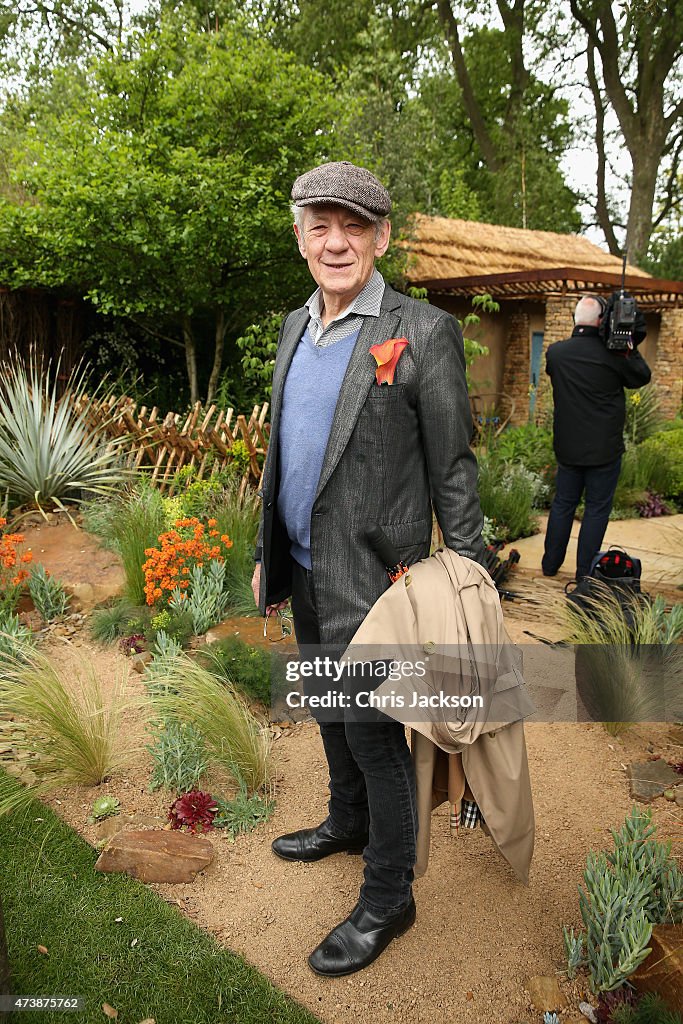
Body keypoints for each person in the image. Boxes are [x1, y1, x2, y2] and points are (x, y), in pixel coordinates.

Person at [251, 160, 484, 977]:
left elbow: (453, 468)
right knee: (327, 713)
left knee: (377, 740)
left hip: (382, 586)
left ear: (381, 237)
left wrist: (469, 583)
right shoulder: (292, 327)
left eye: (355, 225)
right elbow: (284, 456)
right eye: (320, 224)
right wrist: (266, 559)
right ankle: (345, 822)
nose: (336, 241)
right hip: (308, 572)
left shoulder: (421, 332)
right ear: (299, 236)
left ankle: (389, 894)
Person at [542, 293, 651, 581]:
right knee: (596, 510)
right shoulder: (614, 356)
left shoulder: (556, 353)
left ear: (575, 320)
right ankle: (583, 575)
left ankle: (550, 565)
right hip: (605, 451)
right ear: (603, 321)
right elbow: (641, 376)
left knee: (563, 504)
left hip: (568, 449)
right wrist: (625, 344)